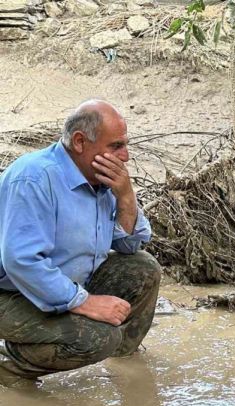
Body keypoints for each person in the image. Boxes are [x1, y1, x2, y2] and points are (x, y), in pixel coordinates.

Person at [0, 100, 161, 385]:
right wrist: (84, 302)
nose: (125, 156)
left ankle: (123, 361)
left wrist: (126, 197)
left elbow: (129, 246)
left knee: (143, 268)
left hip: (58, 281)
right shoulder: (34, 178)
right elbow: (21, 261)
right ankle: (9, 366)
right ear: (79, 142)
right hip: (9, 293)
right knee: (100, 338)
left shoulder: (102, 178)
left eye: (126, 145)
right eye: (116, 146)